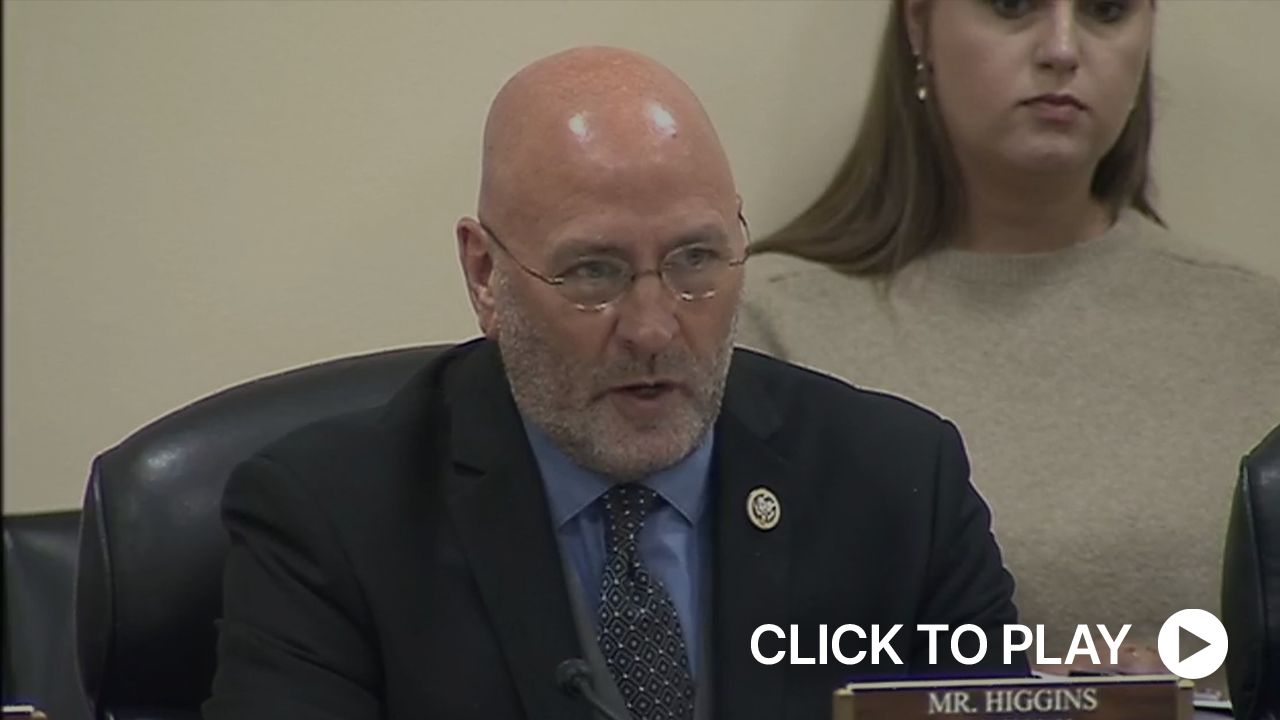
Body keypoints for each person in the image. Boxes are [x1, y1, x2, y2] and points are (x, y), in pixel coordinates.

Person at [201, 46, 1028, 720]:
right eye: (594, 271)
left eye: (695, 260)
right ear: (486, 275)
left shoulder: (898, 487)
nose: (654, 328)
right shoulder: (331, 525)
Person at [737, 0, 1280, 687]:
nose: (1062, 48)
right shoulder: (764, 326)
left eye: (1107, 10)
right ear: (918, 26)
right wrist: (996, 689)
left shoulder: (1257, 330)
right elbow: (734, 653)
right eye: (1013, 6)